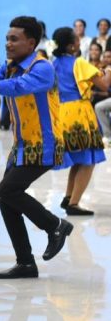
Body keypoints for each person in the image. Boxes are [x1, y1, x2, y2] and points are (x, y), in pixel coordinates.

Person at [0, 16, 73, 279]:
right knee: (8, 200)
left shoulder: (42, 68)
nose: (8, 44)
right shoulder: (8, 67)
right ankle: (26, 263)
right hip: (22, 145)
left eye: (14, 39)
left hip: (44, 144)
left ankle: (55, 225)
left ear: (31, 42)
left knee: (7, 189)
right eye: (7, 38)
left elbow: (16, 88)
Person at [50, 27, 111, 216]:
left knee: (79, 159)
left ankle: (69, 197)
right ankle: (74, 203)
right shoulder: (78, 62)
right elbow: (105, 85)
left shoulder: (54, 63)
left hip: (62, 112)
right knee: (89, 159)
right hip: (79, 113)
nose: (79, 42)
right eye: (76, 39)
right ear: (71, 45)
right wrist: (109, 70)